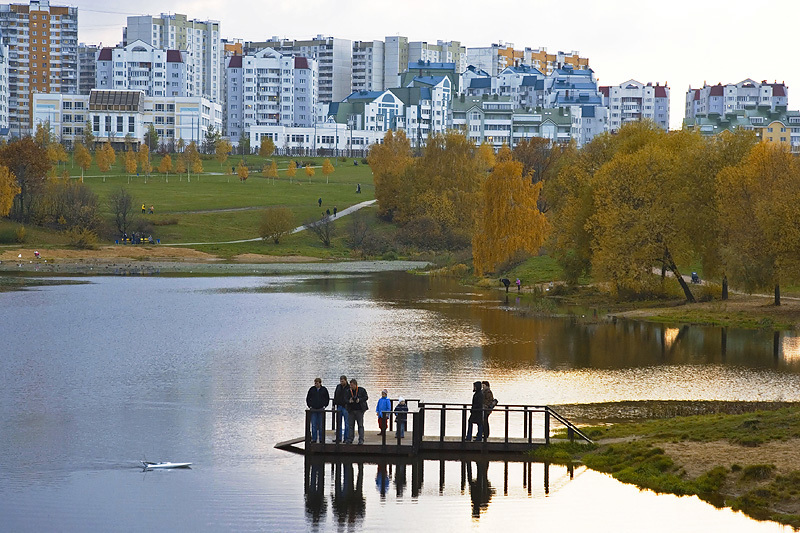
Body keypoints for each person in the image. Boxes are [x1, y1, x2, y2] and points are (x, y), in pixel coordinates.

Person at [306, 378, 330, 443]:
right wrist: (309, 405)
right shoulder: (312, 389)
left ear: (320, 383)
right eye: (315, 383)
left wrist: (325, 405)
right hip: (313, 409)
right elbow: (308, 398)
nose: (316, 384)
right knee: (313, 425)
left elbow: (327, 398)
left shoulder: (324, 389)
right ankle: (314, 439)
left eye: (317, 383)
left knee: (321, 425)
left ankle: (321, 439)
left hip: (321, 409)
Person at [346, 379, 368, 444]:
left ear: (355, 385)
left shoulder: (362, 390)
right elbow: (345, 399)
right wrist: (349, 401)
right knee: (351, 425)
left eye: (352, 385)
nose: (351, 387)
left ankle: (361, 440)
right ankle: (350, 439)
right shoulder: (348, 391)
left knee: (360, 425)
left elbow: (366, 397)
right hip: (351, 410)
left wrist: (360, 399)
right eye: (350, 385)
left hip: (360, 410)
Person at [333, 375, 350, 442]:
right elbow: (335, 395)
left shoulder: (349, 387)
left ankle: (346, 438)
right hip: (339, 406)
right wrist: (334, 404)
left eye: (343, 381)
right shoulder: (338, 387)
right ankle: (338, 438)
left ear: (346, 380)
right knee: (338, 423)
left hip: (346, 407)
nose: (341, 382)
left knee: (347, 423)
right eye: (341, 381)